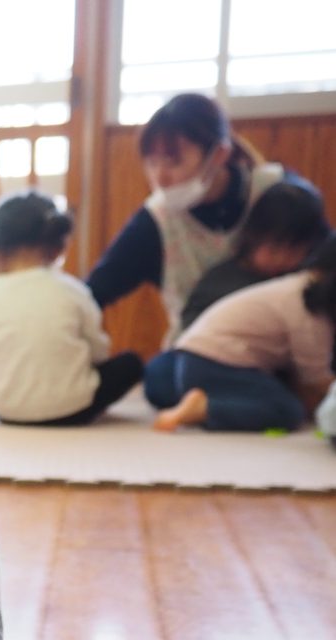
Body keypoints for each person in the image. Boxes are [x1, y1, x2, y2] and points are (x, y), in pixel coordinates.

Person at [87, 92, 320, 348]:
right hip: (198, 350)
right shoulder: (154, 221)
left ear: (219, 154)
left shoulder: (278, 193)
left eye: (174, 162)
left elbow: (324, 269)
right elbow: (93, 292)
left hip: (282, 348)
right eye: (151, 163)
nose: (160, 178)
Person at [0, 190, 143, 425]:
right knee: (130, 364)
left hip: (8, 413)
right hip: (74, 410)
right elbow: (98, 351)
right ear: (57, 246)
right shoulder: (72, 290)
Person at [152, 235, 336, 433]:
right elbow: (316, 380)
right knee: (286, 411)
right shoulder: (307, 306)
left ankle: (206, 403)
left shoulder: (295, 286)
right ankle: (205, 408)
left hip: (197, 358)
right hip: (216, 362)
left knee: (277, 397)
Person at [179, 181, 330, 332]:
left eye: (294, 252)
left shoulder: (311, 279)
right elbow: (192, 332)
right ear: (252, 237)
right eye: (274, 250)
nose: (281, 259)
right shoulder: (218, 285)